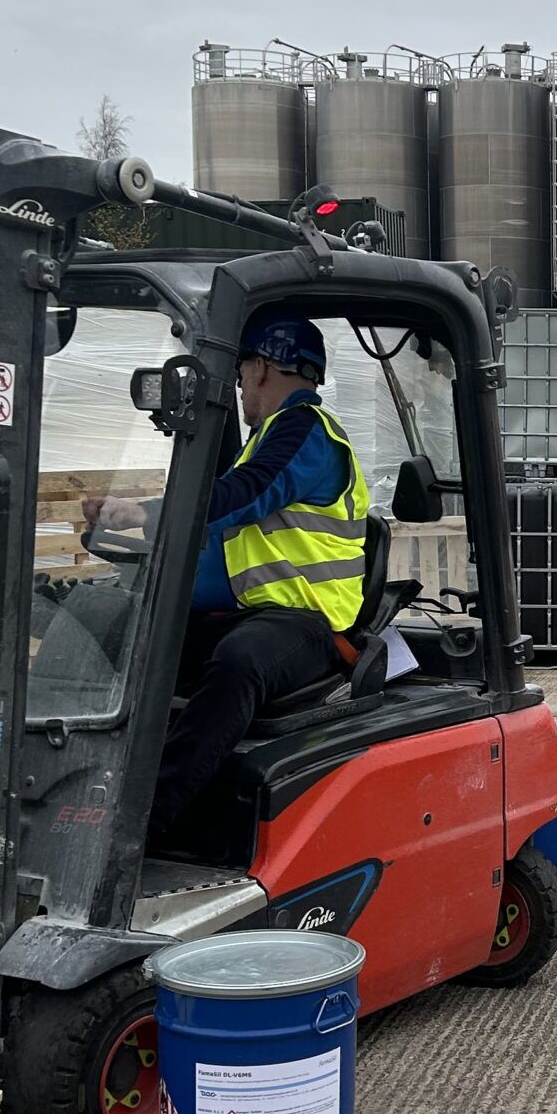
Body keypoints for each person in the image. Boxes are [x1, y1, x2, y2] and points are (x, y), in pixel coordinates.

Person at [96, 313, 371, 842]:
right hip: (251, 612)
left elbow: (246, 492)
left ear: (260, 367)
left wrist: (145, 512)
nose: (239, 383)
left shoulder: (305, 429)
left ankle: (144, 824)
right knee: (118, 626)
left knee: (238, 663)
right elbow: (227, 525)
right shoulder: (267, 436)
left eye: (240, 369)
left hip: (307, 623)